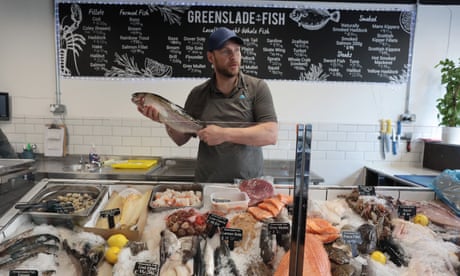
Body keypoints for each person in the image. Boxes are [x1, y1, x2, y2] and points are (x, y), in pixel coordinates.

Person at [138, 27, 278, 183]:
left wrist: (224, 134)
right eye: (226, 51)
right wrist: (165, 119)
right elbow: (181, 139)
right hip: (207, 186)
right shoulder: (198, 94)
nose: (234, 57)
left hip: (248, 187)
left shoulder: (257, 88)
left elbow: (270, 135)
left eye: (237, 50)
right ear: (211, 57)